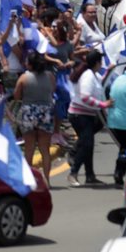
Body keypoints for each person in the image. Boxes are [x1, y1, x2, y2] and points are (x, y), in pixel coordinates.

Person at [14, 51, 57, 187]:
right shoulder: (50, 77)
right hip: (46, 112)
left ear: (31, 65)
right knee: (45, 149)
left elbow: (17, 96)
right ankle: (47, 180)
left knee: (29, 149)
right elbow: (52, 91)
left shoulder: (23, 78)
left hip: (28, 113)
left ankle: (28, 180)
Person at [67, 50, 109, 187]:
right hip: (80, 115)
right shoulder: (88, 76)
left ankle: (90, 175)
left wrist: (109, 71)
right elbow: (85, 97)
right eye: (101, 62)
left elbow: (101, 83)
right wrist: (102, 104)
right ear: (97, 63)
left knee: (88, 144)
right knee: (87, 144)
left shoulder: (93, 75)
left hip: (88, 114)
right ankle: (73, 173)